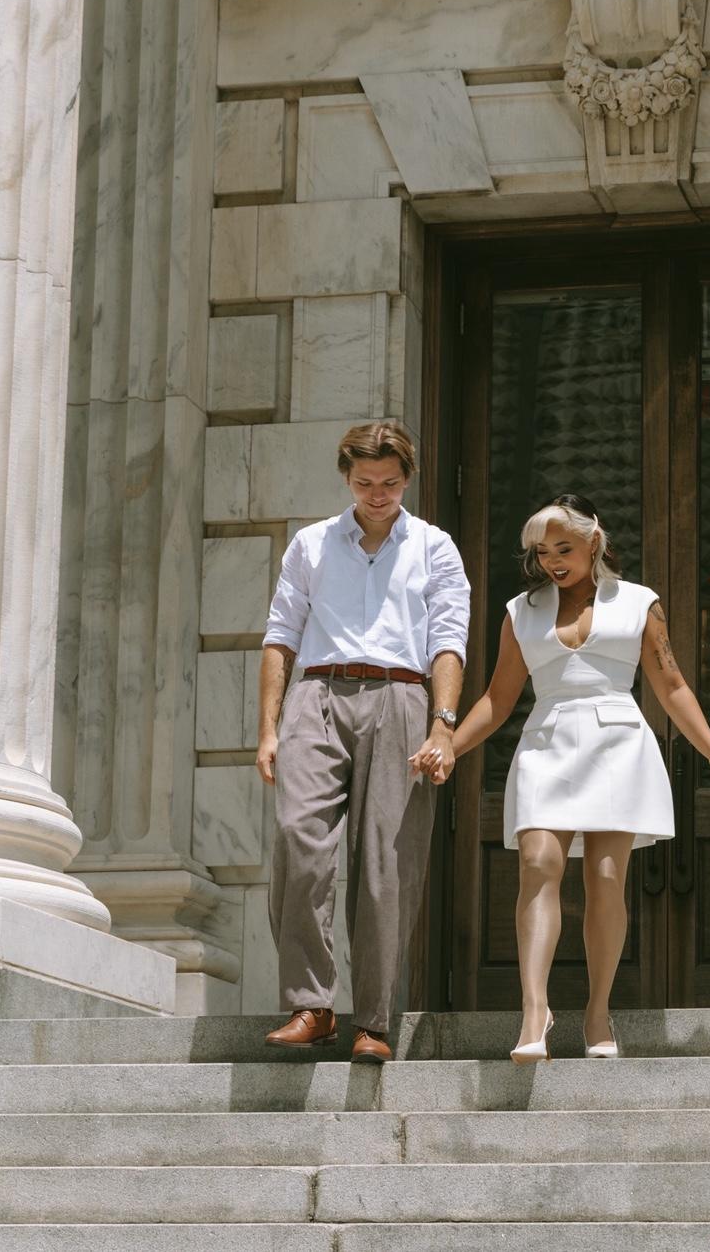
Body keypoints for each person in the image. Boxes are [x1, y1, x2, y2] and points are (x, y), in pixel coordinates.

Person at [438, 493, 710, 1062]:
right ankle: (534, 1013)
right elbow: (498, 698)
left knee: (607, 876)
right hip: (547, 742)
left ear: (594, 541)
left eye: (563, 549)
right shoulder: (521, 610)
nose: (552, 562)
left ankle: (598, 1013)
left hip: (618, 743)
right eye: (542, 552)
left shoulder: (641, 603)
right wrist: (448, 744)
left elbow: (671, 684)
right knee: (537, 863)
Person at [257, 420, 469, 1062]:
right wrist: (268, 728)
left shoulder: (435, 547)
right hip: (316, 696)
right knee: (298, 835)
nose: (378, 495)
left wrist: (443, 725)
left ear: (408, 480)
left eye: (390, 483)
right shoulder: (312, 544)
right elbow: (280, 636)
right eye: (365, 483)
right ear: (347, 478)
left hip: (402, 698)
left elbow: (448, 641)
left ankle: (373, 1020)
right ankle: (312, 1004)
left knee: (386, 864)